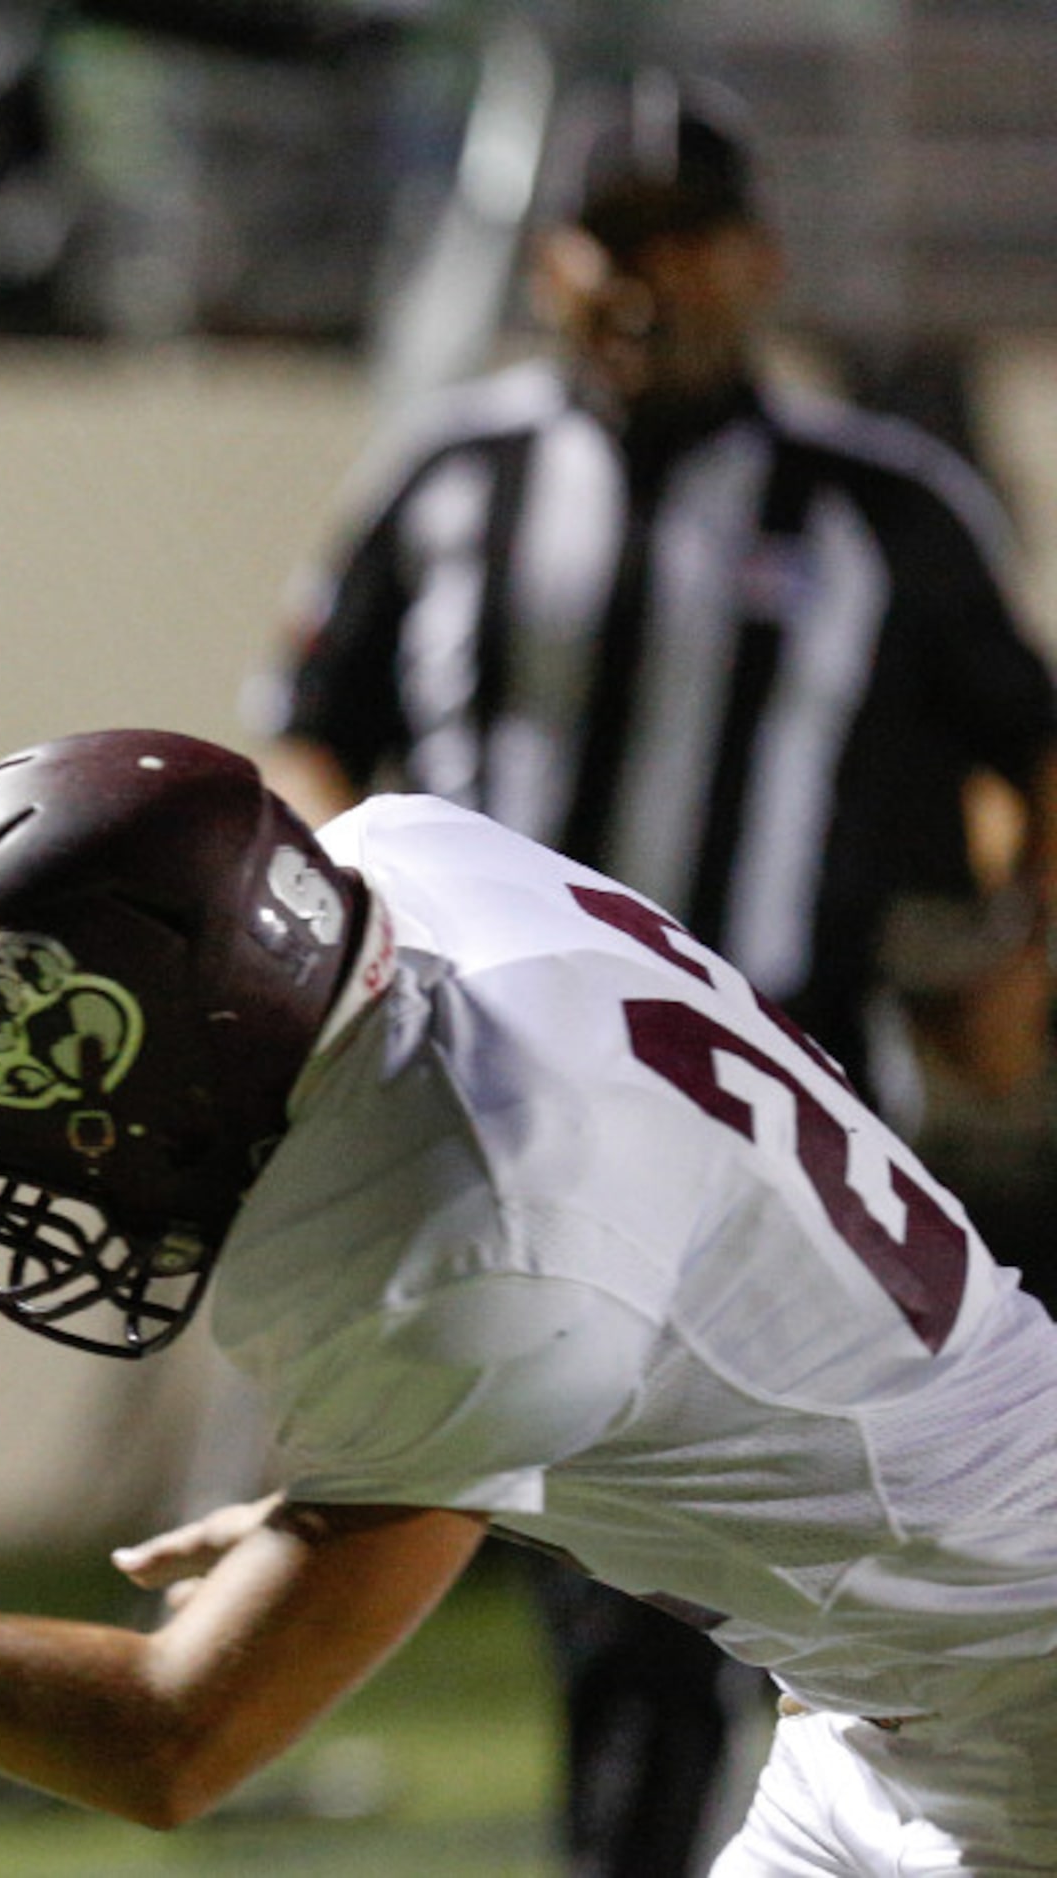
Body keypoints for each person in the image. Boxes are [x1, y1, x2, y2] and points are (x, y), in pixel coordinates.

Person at [0, 729, 1057, 1875]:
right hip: (915, 1686)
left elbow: (171, 1740)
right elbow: (671, 1293)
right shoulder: (394, 863)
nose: (74, 1204)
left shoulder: (456, 1250)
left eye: (63, 1154)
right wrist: (416, 1461)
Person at [254, 70, 1057, 1874]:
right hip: (488, 1121)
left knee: (671, 1610)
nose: (643, 281)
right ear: (549, 265)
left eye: (681, 241)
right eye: (607, 241)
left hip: (778, 1124)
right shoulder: (456, 473)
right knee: (621, 1584)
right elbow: (309, 740)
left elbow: (1037, 739)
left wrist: (1019, 961)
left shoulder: (883, 499)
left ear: (758, 259)